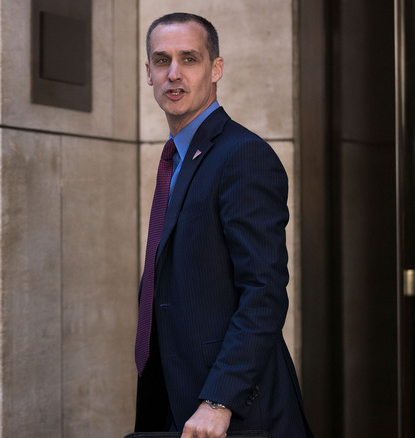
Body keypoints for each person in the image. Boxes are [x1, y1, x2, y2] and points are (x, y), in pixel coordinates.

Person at [133, 12, 313, 438]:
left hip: (234, 412)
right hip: (179, 399)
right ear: (148, 72)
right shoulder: (179, 158)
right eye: (162, 60)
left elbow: (264, 292)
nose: (174, 74)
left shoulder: (242, 155)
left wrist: (219, 400)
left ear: (216, 69)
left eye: (189, 59)